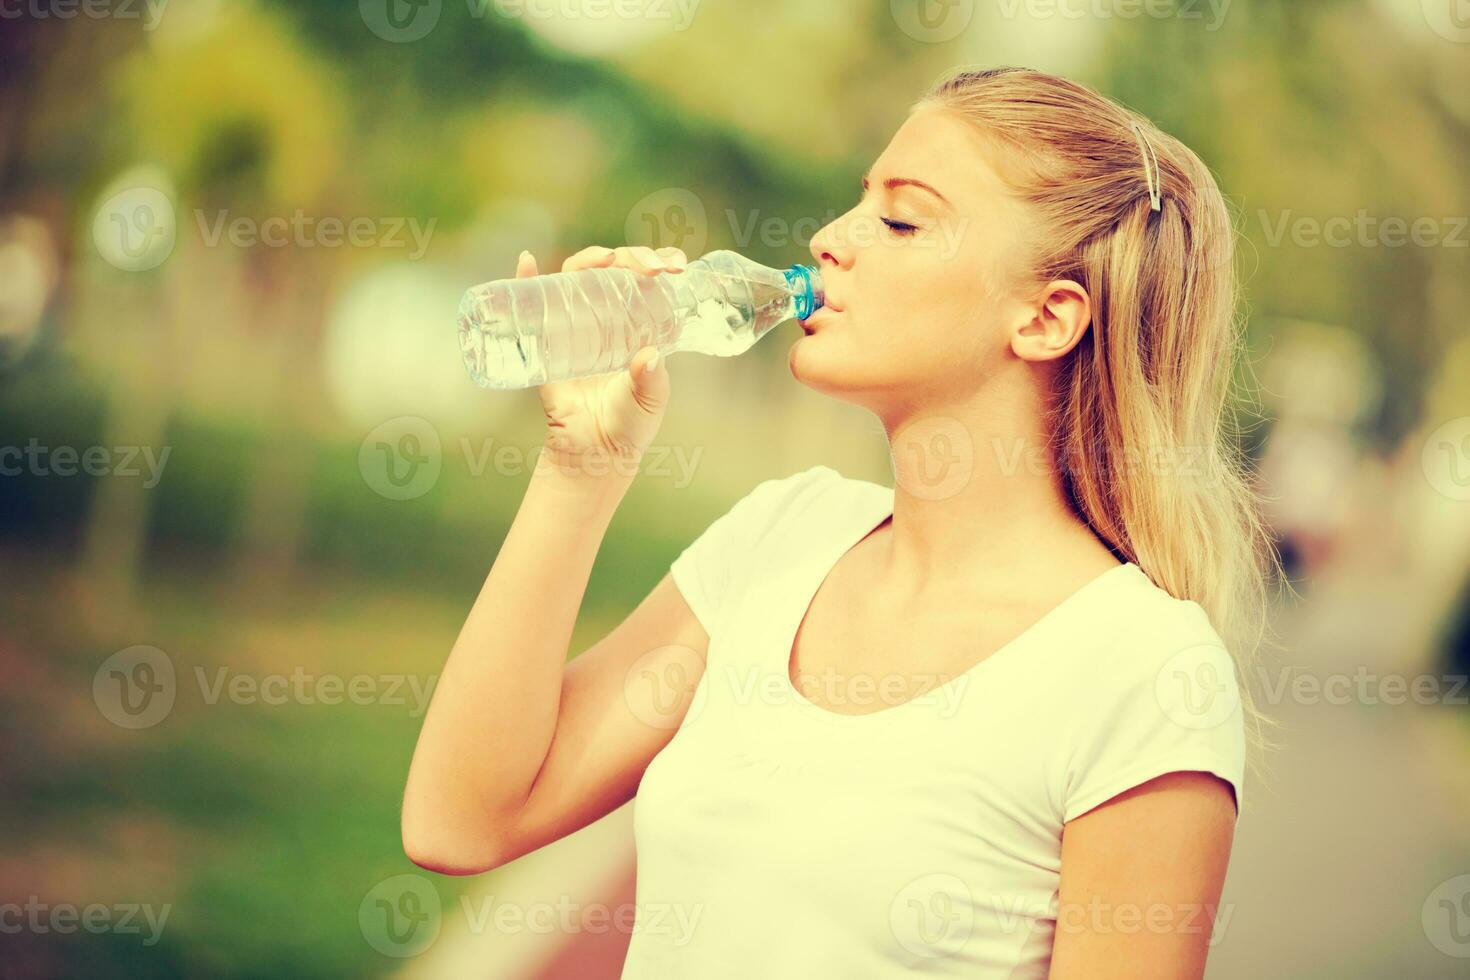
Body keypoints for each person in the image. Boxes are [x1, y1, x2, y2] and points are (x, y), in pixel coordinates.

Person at [402, 66, 1281, 979]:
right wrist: (580, 468)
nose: (828, 240)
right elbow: (461, 819)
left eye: (901, 221)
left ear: (1047, 318)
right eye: (858, 204)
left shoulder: (1140, 671)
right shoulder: (780, 538)